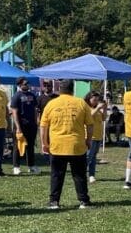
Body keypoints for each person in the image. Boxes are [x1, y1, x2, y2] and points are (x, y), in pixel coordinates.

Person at [40, 79, 93, 209]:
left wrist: (44, 143)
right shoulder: (81, 103)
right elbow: (90, 125)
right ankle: (84, 201)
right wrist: (88, 140)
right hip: (77, 146)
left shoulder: (51, 104)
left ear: (59, 90)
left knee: (56, 175)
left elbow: (43, 126)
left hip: (57, 146)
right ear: (72, 89)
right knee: (79, 175)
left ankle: (54, 201)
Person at [9, 76, 40, 175]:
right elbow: (14, 112)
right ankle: (16, 167)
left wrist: (36, 122)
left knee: (30, 146)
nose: (27, 85)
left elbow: (35, 110)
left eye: (28, 83)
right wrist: (18, 127)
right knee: (17, 146)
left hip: (31, 125)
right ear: (20, 85)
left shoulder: (32, 95)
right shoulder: (16, 96)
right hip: (21, 125)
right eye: (25, 84)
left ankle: (31, 166)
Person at [84, 92, 106, 182]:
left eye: (97, 100)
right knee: (88, 156)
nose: (96, 102)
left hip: (98, 136)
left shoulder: (96, 109)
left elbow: (104, 118)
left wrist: (104, 109)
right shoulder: (87, 108)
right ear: (89, 99)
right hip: (90, 136)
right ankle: (81, 173)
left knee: (93, 157)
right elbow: (90, 115)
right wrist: (98, 107)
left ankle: (91, 175)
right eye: (94, 100)